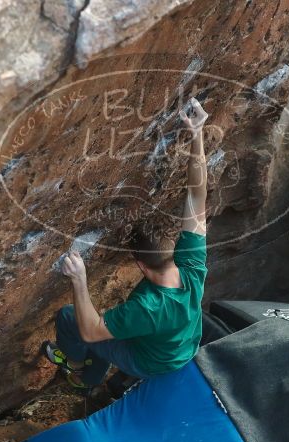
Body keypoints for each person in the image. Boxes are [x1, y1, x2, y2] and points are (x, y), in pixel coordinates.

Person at [42, 97, 210, 390]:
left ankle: (76, 367)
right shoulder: (191, 265)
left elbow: (92, 332)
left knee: (71, 319)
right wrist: (196, 135)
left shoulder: (148, 307)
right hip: (181, 346)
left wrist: (79, 280)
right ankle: (93, 376)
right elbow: (197, 196)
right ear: (172, 248)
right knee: (114, 326)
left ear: (141, 266)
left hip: (151, 361)